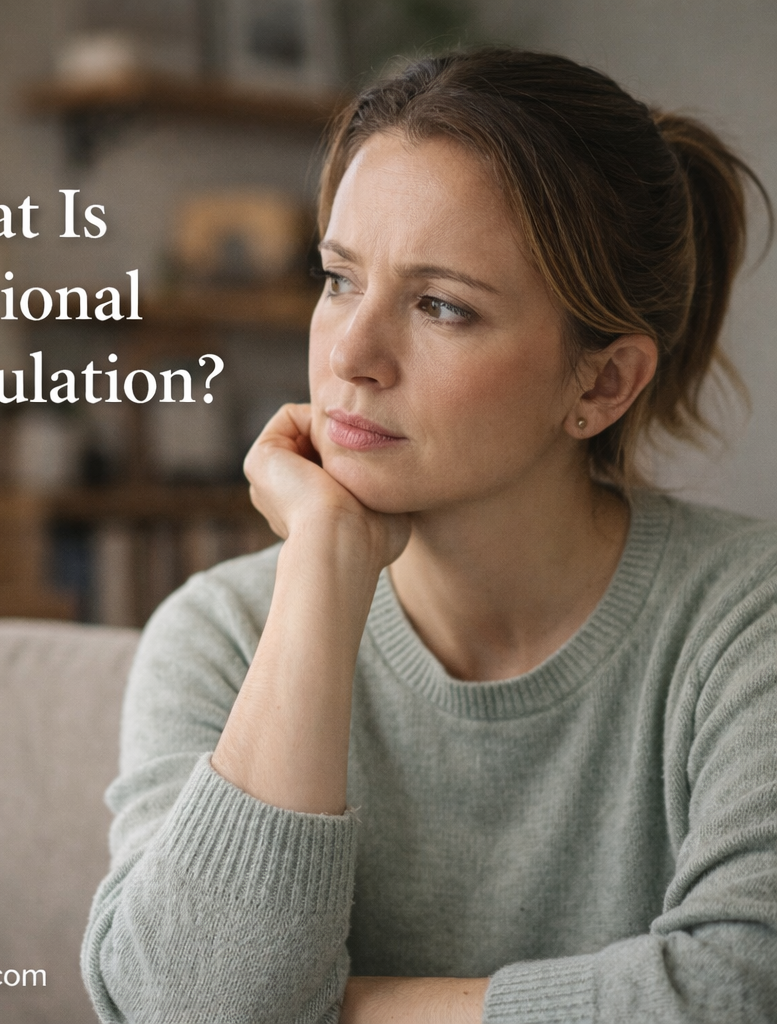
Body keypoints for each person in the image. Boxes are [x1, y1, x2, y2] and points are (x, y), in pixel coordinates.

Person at [81, 48, 777, 1023]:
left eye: (441, 305)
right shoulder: (219, 632)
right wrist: (320, 575)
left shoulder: (748, 620)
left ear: (600, 383)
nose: (351, 356)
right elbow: (181, 1006)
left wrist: (327, 1010)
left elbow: (734, 994)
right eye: (336, 280)